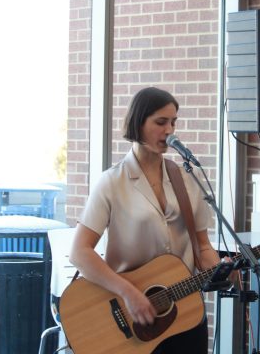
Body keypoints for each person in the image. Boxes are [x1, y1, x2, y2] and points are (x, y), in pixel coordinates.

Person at [69, 86, 225, 353]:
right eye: (160, 122)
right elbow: (80, 253)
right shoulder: (112, 182)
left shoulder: (186, 180)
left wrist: (223, 269)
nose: (169, 130)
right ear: (138, 123)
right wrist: (128, 293)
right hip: (130, 319)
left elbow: (202, 246)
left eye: (173, 122)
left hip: (185, 314)